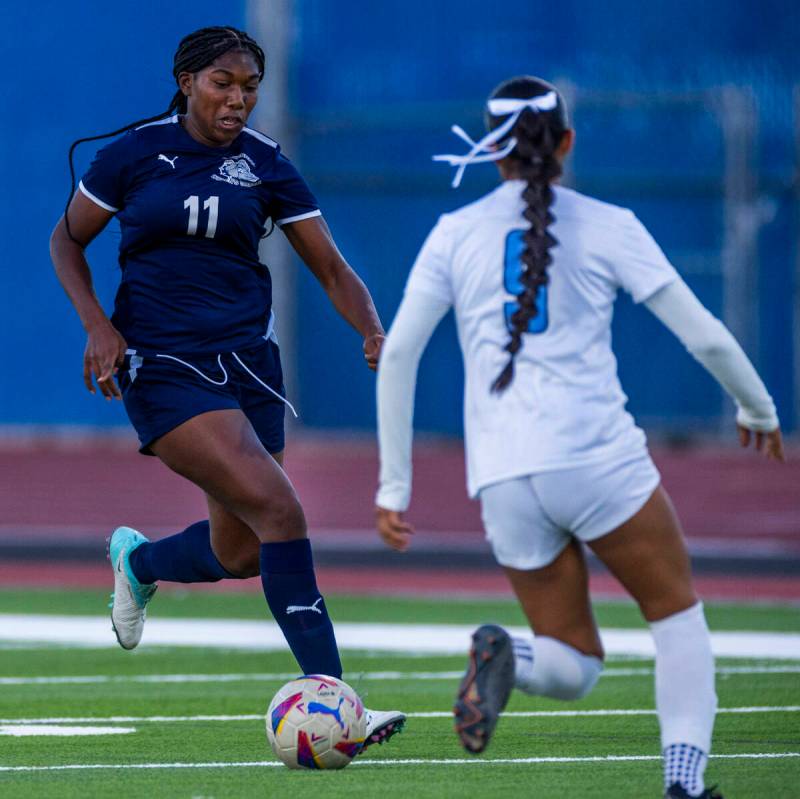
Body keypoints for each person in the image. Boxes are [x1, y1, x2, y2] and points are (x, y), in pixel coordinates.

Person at [374, 76, 785, 797]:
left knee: (574, 662)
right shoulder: (607, 223)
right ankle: (685, 783)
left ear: (492, 151)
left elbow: (399, 353)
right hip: (597, 459)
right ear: (566, 142)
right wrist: (758, 409)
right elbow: (707, 337)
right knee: (676, 614)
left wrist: (393, 486)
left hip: (501, 475)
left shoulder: (452, 232)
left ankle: (509, 657)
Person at [50, 25, 404, 750]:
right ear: (186, 81)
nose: (237, 99)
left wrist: (373, 329)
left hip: (248, 367)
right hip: (162, 364)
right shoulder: (133, 154)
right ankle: (341, 708)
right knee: (280, 507)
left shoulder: (267, 165)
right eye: (223, 84)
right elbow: (66, 240)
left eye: (249, 87)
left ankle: (139, 561)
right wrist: (98, 327)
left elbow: (332, 268)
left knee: (242, 550)